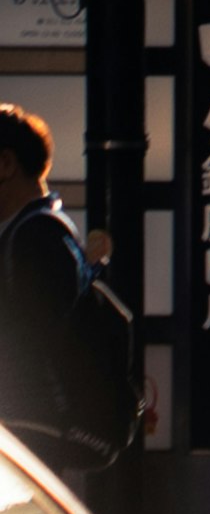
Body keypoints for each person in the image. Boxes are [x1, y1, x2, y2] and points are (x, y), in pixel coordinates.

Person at [0, 105, 126, 477]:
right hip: (36, 419)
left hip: (37, 418)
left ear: (6, 165)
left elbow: (32, 334)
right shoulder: (37, 230)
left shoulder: (37, 236)